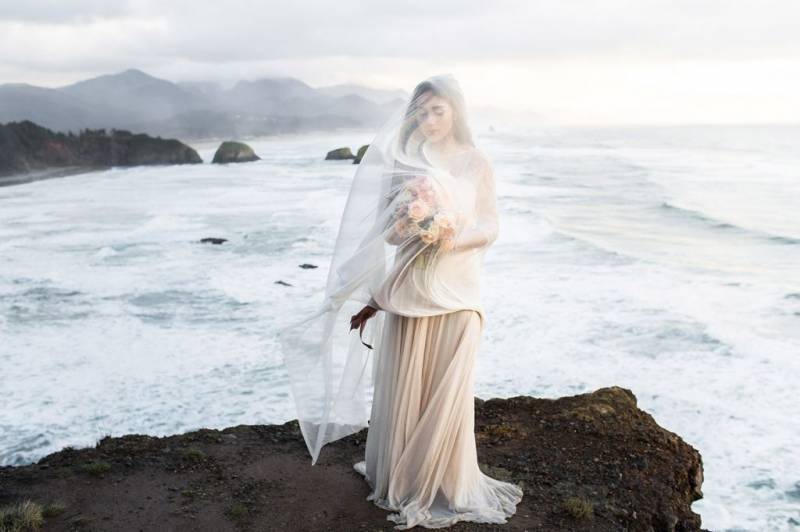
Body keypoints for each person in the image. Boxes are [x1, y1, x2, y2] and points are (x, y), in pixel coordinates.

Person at [276, 73, 523, 529]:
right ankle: (406, 480)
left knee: (449, 392)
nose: (429, 120)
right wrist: (417, 224)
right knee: (409, 389)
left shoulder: (476, 161)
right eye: (422, 111)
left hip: (459, 292)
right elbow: (388, 234)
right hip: (411, 290)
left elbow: (491, 225)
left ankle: (445, 480)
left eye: (438, 110)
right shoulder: (403, 162)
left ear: (456, 111)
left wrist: (450, 236)